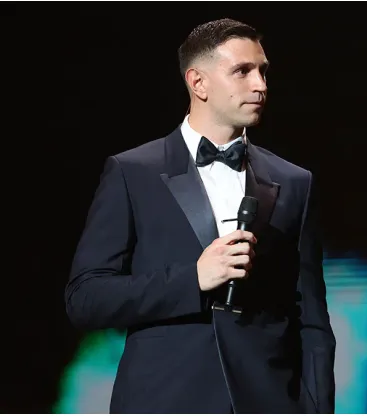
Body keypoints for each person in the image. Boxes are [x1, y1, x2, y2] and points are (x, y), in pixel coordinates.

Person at [65, 18, 336, 414]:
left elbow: (311, 317)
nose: (260, 85)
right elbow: (85, 299)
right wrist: (192, 279)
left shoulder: (294, 181)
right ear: (198, 82)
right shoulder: (132, 172)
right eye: (242, 71)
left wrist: (317, 407)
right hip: (165, 399)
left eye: (263, 71)